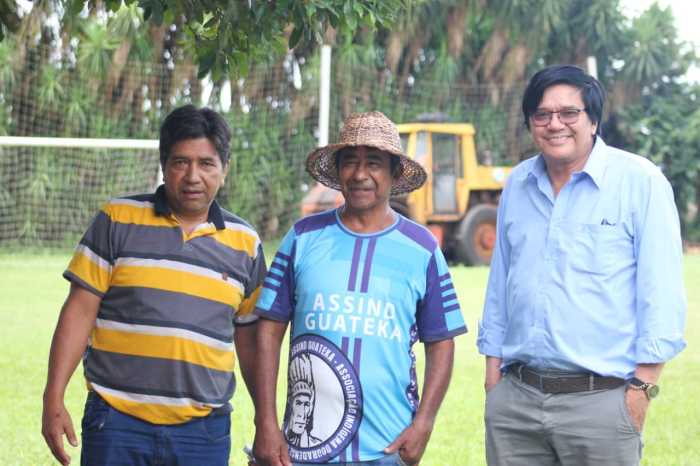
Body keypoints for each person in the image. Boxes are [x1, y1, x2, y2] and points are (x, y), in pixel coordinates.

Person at [478, 64, 687, 465]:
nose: (555, 124)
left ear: (593, 121)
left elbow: (661, 293)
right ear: (530, 123)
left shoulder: (640, 182)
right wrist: (493, 378)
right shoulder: (518, 185)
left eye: (569, 113)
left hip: (602, 404)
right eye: (542, 114)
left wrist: (641, 391)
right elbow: (501, 283)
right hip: (516, 404)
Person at [41, 104, 266, 466]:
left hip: (203, 434)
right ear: (164, 165)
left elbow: (250, 341)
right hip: (116, 423)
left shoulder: (246, 243)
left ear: (225, 169)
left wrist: (265, 420)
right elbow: (79, 311)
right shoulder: (117, 219)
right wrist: (53, 398)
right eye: (181, 162)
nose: (193, 176)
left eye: (206, 164)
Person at [252, 111, 467, 466]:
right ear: (338, 171)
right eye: (350, 161)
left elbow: (441, 340)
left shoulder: (422, 248)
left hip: (388, 448)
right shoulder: (303, 237)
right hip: (306, 449)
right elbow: (269, 330)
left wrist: (425, 422)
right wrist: (265, 421)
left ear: (394, 173)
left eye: (374, 163)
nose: (360, 174)